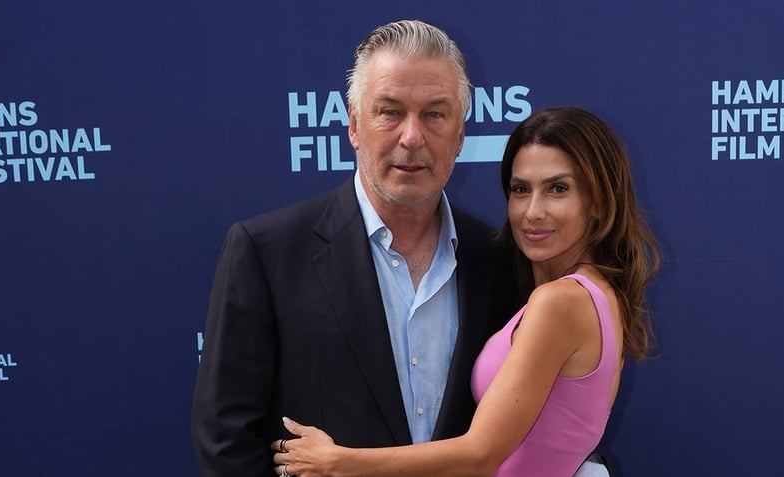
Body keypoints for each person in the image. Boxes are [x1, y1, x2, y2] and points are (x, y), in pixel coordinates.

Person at [192, 19, 609, 477]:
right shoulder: (265, 253)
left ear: (460, 135)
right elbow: (226, 442)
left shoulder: (500, 260)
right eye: (390, 111)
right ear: (353, 126)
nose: (412, 137)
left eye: (434, 114)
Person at [269, 106, 661, 477]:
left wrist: (338, 462)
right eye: (520, 189)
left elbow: (479, 454)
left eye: (558, 189)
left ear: (598, 201)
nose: (533, 211)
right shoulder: (599, 293)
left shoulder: (560, 303)